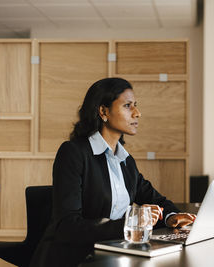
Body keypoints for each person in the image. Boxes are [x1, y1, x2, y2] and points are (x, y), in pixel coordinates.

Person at [30, 78, 196, 267]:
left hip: (114, 254)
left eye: (136, 106)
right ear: (103, 111)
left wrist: (171, 217)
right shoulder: (74, 153)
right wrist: (132, 222)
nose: (137, 113)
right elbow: (67, 227)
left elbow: (156, 200)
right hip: (76, 258)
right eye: (128, 106)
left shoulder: (125, 161)